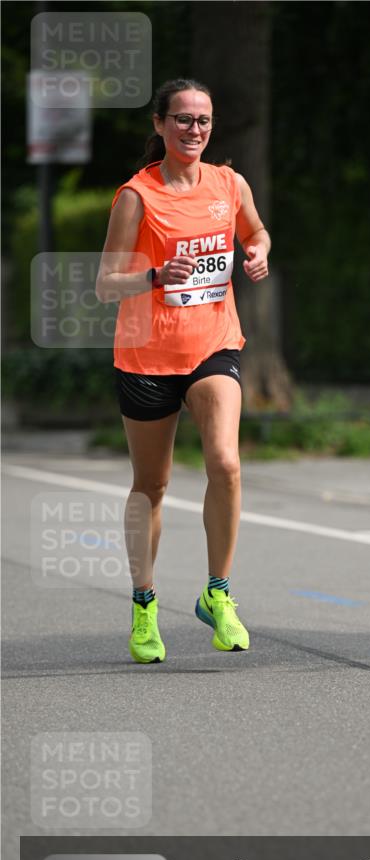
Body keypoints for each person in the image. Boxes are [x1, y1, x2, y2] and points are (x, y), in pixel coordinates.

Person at [96, 78, 270, 663]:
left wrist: (258, 251)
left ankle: (218, 593)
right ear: (159, 125)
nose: (193, 129)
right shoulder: (136, 196)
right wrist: (153, 277)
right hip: (147, 356)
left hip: (213, 345)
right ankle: (144, 603)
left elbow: (256, 230)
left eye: (203, 120)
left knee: (225, 461)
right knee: (153, 486)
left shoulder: (229, 182)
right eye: (182, 120)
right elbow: (105, 283)